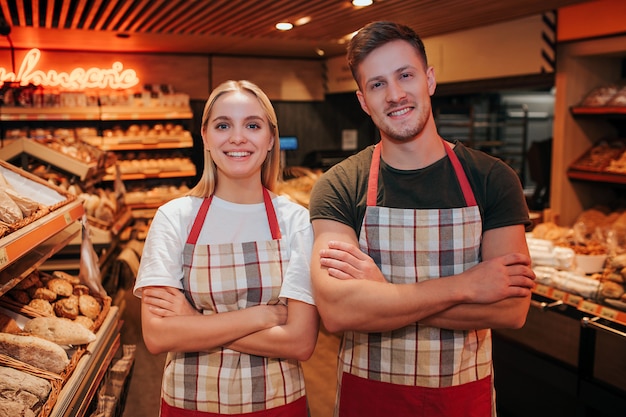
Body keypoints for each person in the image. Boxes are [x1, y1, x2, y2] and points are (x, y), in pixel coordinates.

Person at [308, 21, 536, 417]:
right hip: (370, 397)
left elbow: (511, 311)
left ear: (429, 79)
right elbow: (339, 312)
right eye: (377, 84)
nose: (395, 95)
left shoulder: (492, 179)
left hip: (463, 397)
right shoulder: (340, 185)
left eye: (405, 75)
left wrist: (383, 295)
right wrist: (467, 284)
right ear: (363, 101)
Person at [133, 80, 319, 417]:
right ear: (204, 136)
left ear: (270, 138)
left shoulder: (296, 221)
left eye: (252, 125)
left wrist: (194, 322)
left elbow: (300, 342)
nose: (237, 137)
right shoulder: (174, 218)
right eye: (223, 125)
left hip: (278, 404)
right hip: (190, 406)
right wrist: (261, 315)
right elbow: (158, 336)